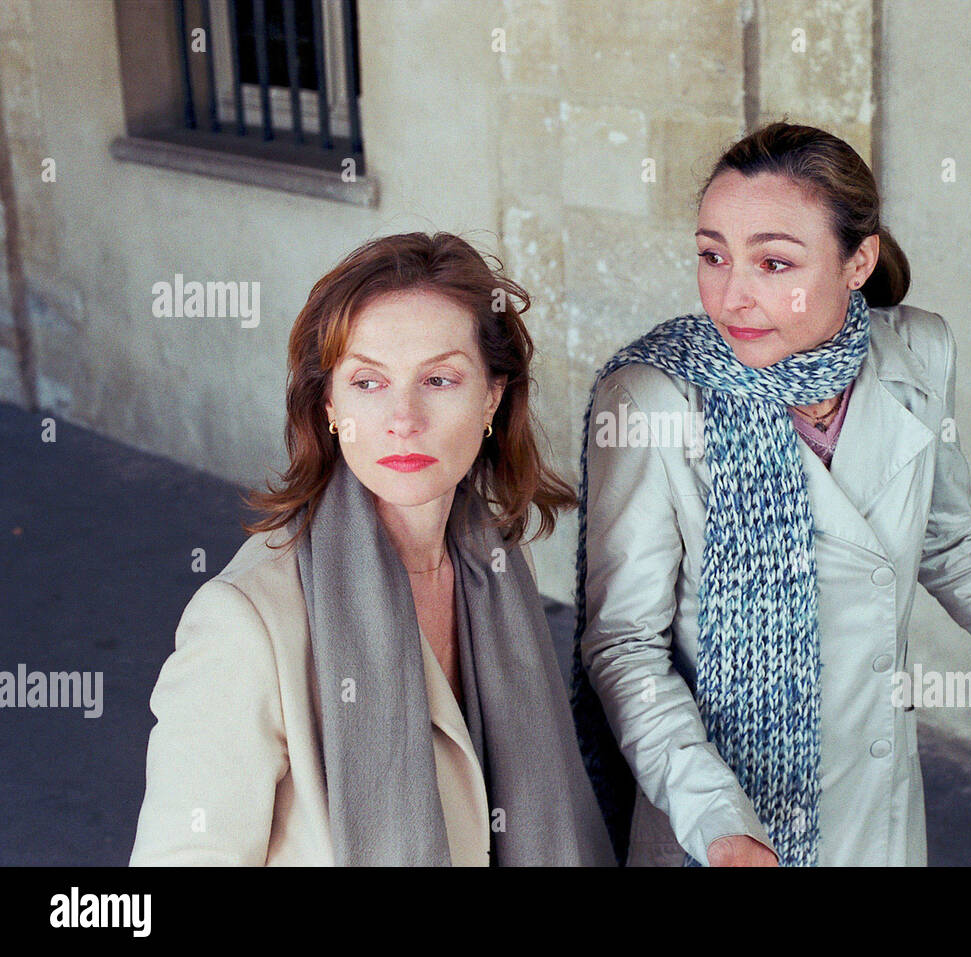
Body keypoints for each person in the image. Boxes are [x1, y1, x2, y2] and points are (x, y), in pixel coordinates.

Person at [571, 121, 971, 867]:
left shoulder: (920, 353)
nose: (731, 293)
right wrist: (719, 822)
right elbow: (624, 645)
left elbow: (956, 550)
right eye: (713, 255)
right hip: (720, 828)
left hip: (874, 815)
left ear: (858, 260)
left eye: (774, 261)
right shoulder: (651, 399)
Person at [131, 232, 614, 866]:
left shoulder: (498, 563)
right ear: (328, 403)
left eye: (439, 379)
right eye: (367, 382)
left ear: (492, 396)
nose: (403, 418)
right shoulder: (245, 621)